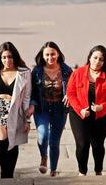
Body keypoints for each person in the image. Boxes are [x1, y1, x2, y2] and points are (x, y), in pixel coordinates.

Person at [66, 45, 106, 176]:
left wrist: (103, 106)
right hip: (79, 114)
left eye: (101, 59)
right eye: (95, 58)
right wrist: (80, 110)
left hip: (101, 115)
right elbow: (70, 93)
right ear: (89, 57)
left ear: (105, 61)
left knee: (98, 145)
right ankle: (82, 172)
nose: (97, 61)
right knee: (83, 144)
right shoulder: (78, 73)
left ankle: (98, 171)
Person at [0, 42, 31, 178]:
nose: (7, 60)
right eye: (4, 57)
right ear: (0, 58)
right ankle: (5, 174)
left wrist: (27, 119)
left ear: (14, 57)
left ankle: (9, 174)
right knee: (0, 141)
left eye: (9, 57)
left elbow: (26, 97)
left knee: (12, 142)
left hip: (15, 110)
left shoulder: (25, 73)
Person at [26, 41, 72, 177]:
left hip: (60, 109)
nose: (50, 57)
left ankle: (53, 170)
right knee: (43, 135)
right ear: (42, 55)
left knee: (54, 141)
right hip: (42, 108)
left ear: (58, 54)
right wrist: (32, 105)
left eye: (53, 54)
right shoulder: (37, 71)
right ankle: (43, 157)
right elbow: (32, 92)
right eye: (47, 55)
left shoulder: (66, 70)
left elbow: (74, 86)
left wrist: (69, 95)